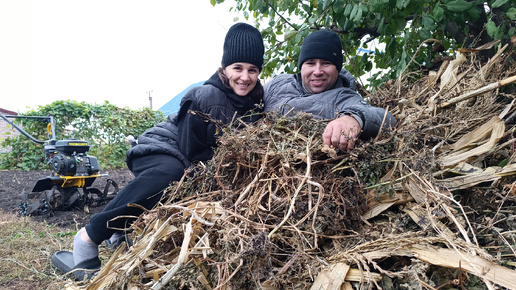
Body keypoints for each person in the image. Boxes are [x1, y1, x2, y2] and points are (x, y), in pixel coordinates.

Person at [51, 22, 265, 280]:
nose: (245, 77)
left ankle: (123, 230)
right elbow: (192, 151)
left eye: (252, 70)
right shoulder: (204, 95)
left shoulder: (256, 104)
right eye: (237, 68)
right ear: (224, 67)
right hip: (162, 147)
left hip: (190, 159)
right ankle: (89, 237)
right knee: (175, 174)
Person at [264, 29, 396, 151]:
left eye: (326, 63)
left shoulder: (344, 97)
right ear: (301, 66)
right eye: (310, 63)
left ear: (337, 69)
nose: (317, 71)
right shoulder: (278, 83)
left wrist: (354, 118)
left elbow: (387, 119)